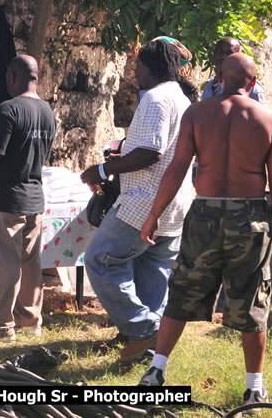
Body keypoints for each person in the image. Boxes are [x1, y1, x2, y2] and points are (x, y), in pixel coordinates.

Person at [137, 53, 272, 411]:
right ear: (253, 83)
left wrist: (153, 215)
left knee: (183, 288)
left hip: (204, 213)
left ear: (219, 76)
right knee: (253, 298)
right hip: (250, 216)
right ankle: (254, 389)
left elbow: (177, 168)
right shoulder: (269, 120)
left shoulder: (196, 113)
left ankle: (156, 371)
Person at [80, 40, 194, 361]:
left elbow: (152, 151)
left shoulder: (156, 98)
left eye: (138, 65)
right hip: (174, 203)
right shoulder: (181, 99)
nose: (134, 71)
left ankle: (144, 329)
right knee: (152, 269)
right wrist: (125, 153)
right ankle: (144, 343)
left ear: (151, 65)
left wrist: (103, 169)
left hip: (144, 203)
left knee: (101, 259)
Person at [0, 54, 56, 342]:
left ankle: (0, 328)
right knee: (30, 264)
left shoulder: (8, 109)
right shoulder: (47, 112)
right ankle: (31, 321)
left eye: (7, 76)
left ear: (13, 77)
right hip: (33, 197)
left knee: (4, 264)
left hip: (4, 199)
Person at [201, 37, 266, 103]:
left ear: (237, 56)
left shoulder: (252, 88)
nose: (223, 56)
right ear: (214, 53)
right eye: (220, 52)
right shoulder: (210, 85)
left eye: (229, 53)